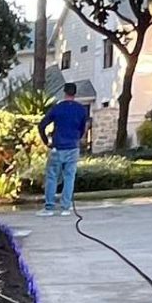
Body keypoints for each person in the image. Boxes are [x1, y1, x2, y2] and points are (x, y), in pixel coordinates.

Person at [38, 82, 92, 213]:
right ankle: (66, 207)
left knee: (52, 176)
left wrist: (46, 141)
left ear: (64, 92)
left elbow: (42, 125)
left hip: (58, 146)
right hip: (73, 147)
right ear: (75, 93)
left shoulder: (57, 108)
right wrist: (77, 139)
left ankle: (49, 207)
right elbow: (83, 128)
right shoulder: (81, 110)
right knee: (69, 177)